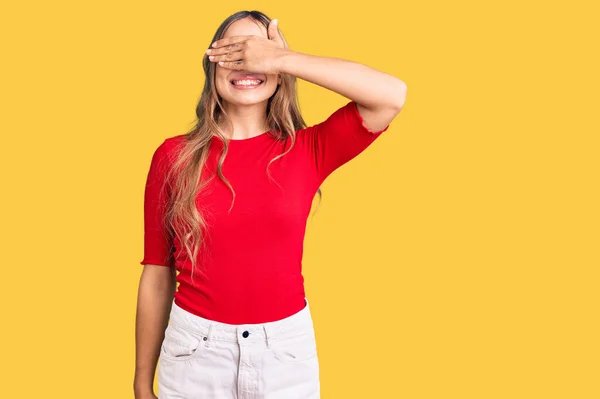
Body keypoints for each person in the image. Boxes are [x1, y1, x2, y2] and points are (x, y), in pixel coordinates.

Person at [133, 9, 407, 399]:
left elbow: (391, 95)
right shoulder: (172, 156)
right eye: (234, 53)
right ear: (211, 66)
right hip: (194, 352)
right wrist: (143, 380)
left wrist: (281, 59)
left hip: (284, 354)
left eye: (257, 51)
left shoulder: (308, 149)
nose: (248, 63)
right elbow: (157, 274)